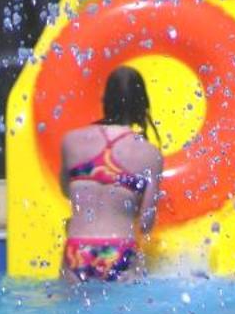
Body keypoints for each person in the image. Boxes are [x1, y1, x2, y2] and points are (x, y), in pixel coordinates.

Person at [59, 68, 164, 281]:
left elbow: (65, 190)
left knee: (70, 313)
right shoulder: (149, 154)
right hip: (119, 250)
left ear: (105, 99)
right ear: (141, 104)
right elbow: (145, 223)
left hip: (77, 250)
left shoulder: (71, 141)